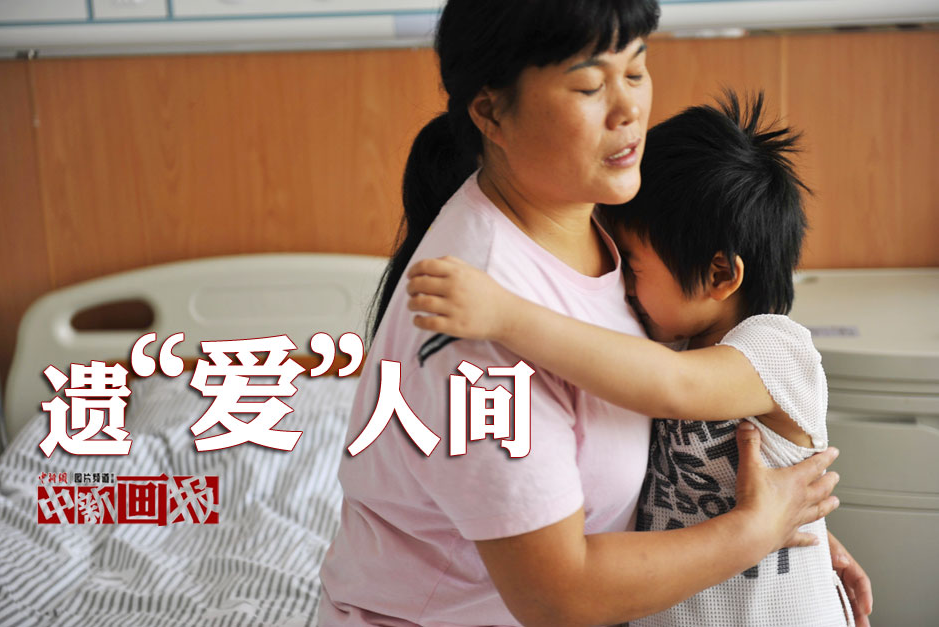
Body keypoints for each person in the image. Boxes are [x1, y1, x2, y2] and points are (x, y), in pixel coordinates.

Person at [318, 2, 868, 625]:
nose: (629, 109)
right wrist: (753, 534)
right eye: (589, 86)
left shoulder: (607, 217)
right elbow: (557, 596)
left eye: (636, 70)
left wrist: (796, 532)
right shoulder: (478, 327)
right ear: (492, 112)